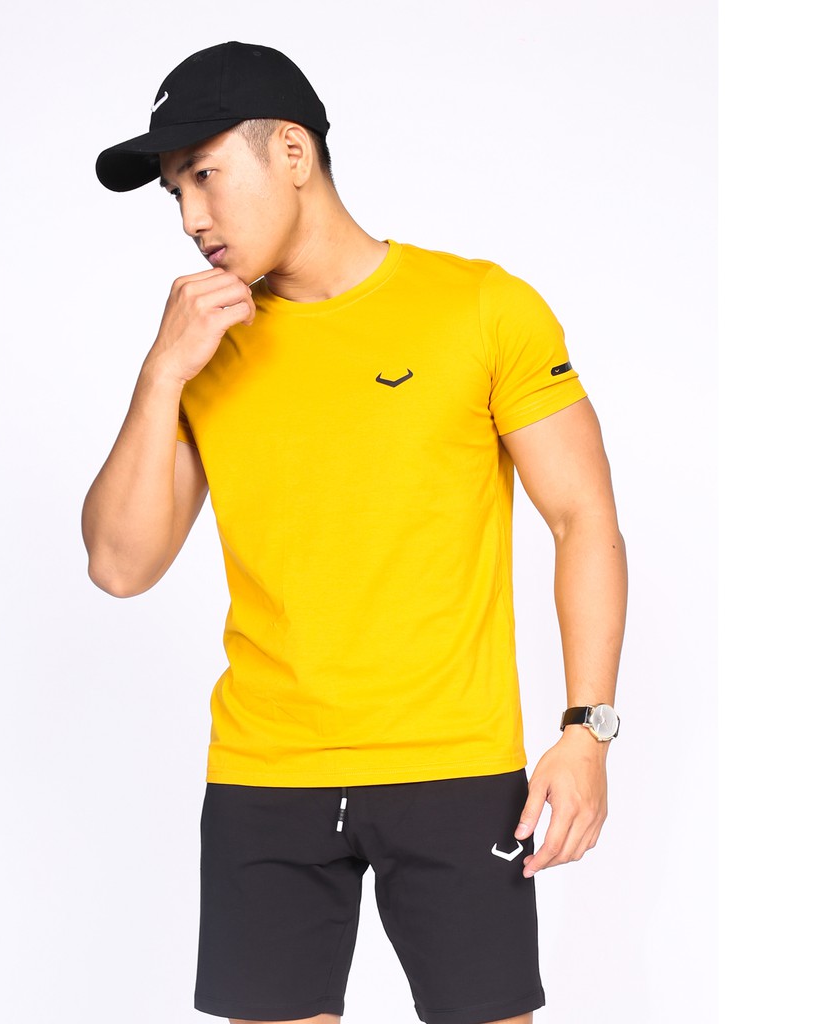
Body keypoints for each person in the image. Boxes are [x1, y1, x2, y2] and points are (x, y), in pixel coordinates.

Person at [83, 40, 627, 1024]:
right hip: (265, 774)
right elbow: (119, 565)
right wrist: (160, 373)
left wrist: (586, 730)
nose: (191, 217)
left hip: (454, 766)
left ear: (292, 152)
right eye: (174, 192)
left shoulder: (479, 307)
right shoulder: (203, 350)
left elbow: (581, 515)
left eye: (204, 173)